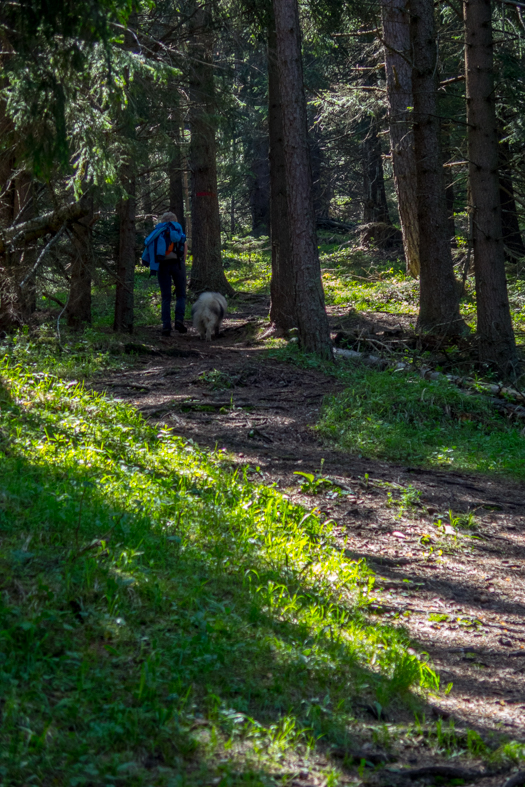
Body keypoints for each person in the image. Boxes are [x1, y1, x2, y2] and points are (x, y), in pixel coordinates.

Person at [142, 211, 188, 335]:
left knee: (166, 297)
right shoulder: (177, 230)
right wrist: (182, 263)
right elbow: (184, 249)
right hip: (178, 264)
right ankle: (179, 320)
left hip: (162, 266)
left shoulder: (158, 233)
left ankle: (166, 326)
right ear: (175, 220)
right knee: (181, 295)